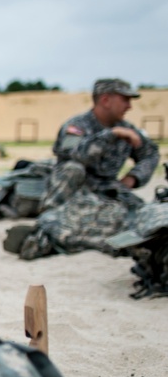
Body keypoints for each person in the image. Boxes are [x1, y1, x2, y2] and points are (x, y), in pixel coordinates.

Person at [10, 78, 160, 259]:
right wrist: (110, 136)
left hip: (108, 188)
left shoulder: (127, 129)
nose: (129, 106)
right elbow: (74, 154)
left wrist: (134, 177)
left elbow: (151, 154)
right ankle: (48, 223)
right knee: (72, 169)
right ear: (105, 100)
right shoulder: (77, 126)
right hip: (76, 189)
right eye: (125, 100)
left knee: (140, 214)